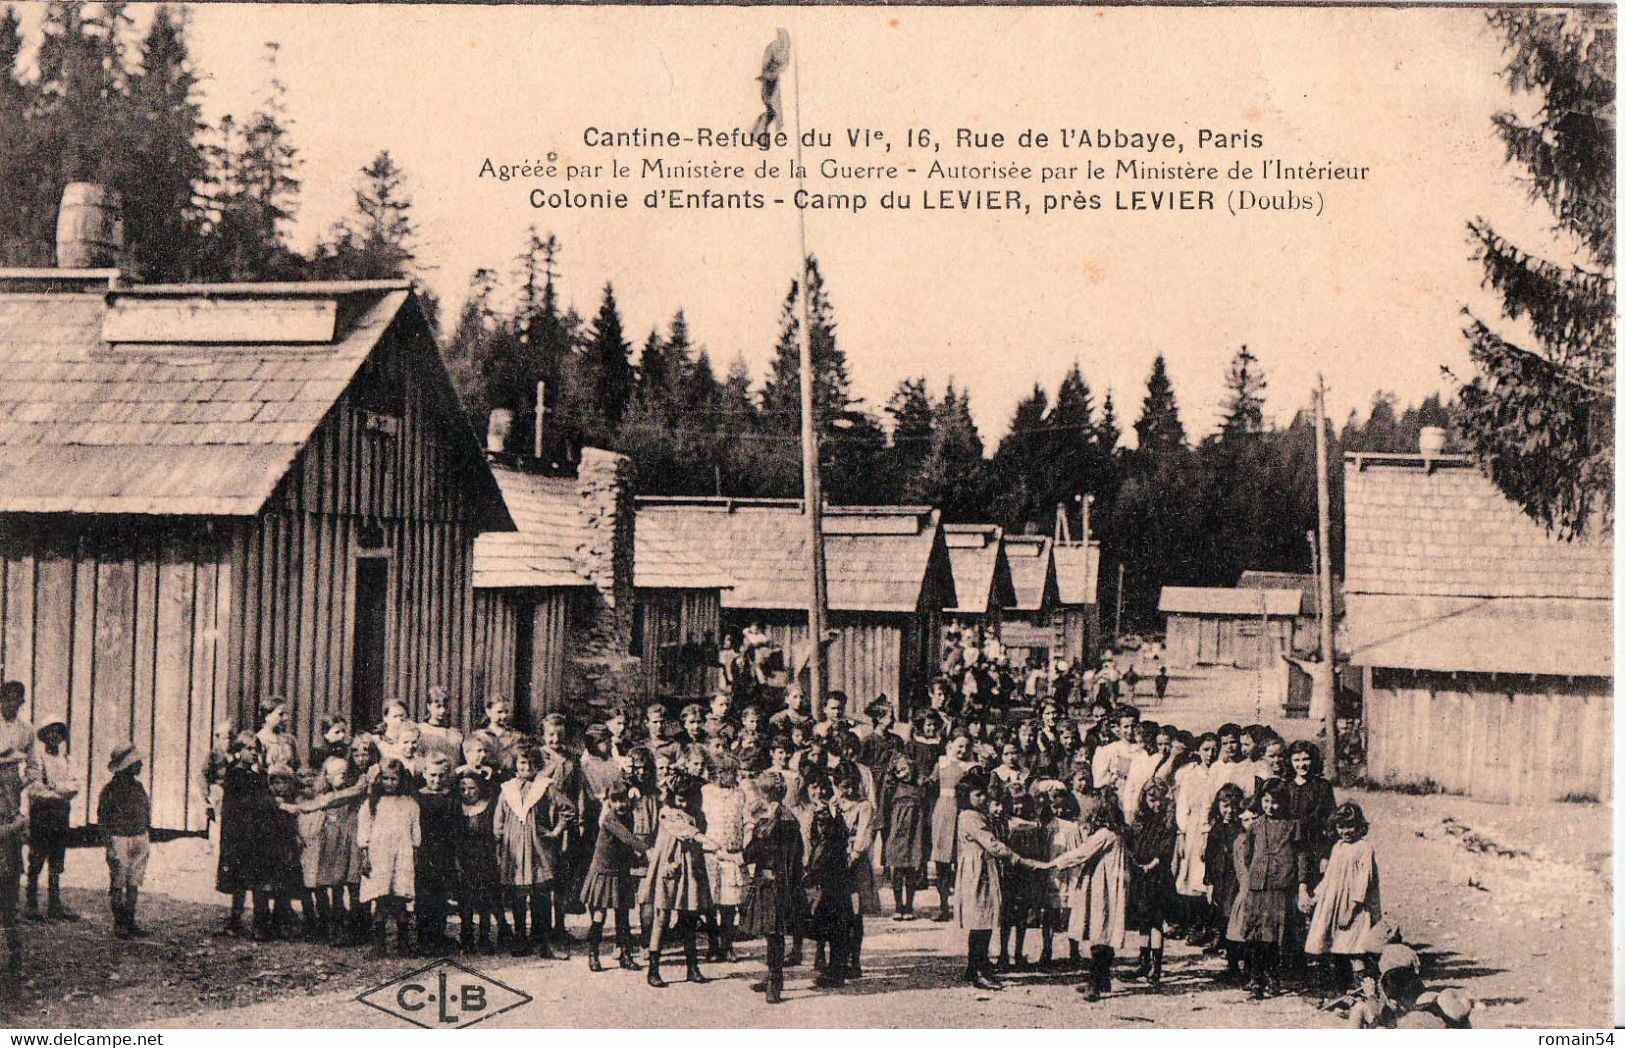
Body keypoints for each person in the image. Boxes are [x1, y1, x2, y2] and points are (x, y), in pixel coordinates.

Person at [640, 771, 723, 987]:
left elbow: (697, 826)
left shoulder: (697, 813)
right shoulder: (667, 812)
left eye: (688, 798)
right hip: (670, 867)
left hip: (691, 868)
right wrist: (705, 840)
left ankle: (692, 967)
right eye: (680, 798)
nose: (683, 803)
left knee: (689, 916)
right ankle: (653, 969)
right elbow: (685, 831)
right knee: (662, 916)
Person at [953, 769, 1033, 990]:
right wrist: (1016, 857)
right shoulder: (969, 817)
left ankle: (978, 965)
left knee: (984, 917)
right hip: (976, 870)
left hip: (984, 867)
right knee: (980, 918)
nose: (983, 799)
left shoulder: (979, 814)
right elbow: (991, 842)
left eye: (983, 795)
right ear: (966, 796)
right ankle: (977, 969)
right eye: (977, 795)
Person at [1047, 796, 1129, 1001]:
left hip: (1104, 886)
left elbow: (1082, 852)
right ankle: (1103, 978)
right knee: (1105, 929)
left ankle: (1095, 982)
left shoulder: (1105, 834)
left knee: (1099, 930)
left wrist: (1055, 863)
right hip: (1109, 884)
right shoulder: (1117, 832)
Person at [494, 745, 572, 959]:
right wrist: (499, 846)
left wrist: (556, 831)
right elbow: (498, 822)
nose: (526, 767)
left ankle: (544, 942)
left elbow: (568, 809)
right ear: (515, 765)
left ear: (537, 765)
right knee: (518, 895)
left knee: (541, 894)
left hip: (538, 849)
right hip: (515, 849)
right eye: (521, 763)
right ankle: (520, 938)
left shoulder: (545, 786)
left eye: (530, 763)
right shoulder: (507, 789)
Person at [1234, 777, 1308, 999]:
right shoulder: (1256, 826)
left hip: (1280, 887)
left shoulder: (1293, 826)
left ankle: (1273, 978)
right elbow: (1246, 856)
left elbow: (1301, 856)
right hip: (1258, 887)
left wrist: (1299, 881)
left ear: (1284, 802)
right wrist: (1256, 873)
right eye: (1266, 801)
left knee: (1276, 935)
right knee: (1256, 935)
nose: (1270, 806)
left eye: (1275, 802)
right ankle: (1256, 979)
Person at [741, 770, 805, 1004]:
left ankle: (774, 982)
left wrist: (753, 829)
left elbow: (750, 853)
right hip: (777, 883)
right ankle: (772, 978)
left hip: (775, 884)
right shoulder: (785, 820)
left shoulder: (776, 822)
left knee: (774, 933)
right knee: (772, 933)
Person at [1306, 802, 1382, 992]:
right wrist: (1315, 897)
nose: (1345, 831)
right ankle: (1341, 991)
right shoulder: (1337, 847)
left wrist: (1352, 908)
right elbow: (1330, 876)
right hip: (1333, 905)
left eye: (1350, 826)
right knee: (1337, 949)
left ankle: (1362, 990)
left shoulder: (1364, 848)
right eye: (1341, 826)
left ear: (1359, 827)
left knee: (1355, 949)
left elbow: (1364, 881)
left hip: (1353, 907)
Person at [580, 784, 648, 972]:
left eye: (623, 800)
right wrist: (647, 850)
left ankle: (625, 955)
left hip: (621, 872)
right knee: (599, 916)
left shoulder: (629, 816)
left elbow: (626, 846)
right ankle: (593, 954)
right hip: (604, 872)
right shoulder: (609, 818)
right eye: (615, 801)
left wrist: (636, 860)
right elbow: (627, 838)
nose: (620, 805)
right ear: (609, 802)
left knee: (623, 916)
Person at [358, 758, 421, 957]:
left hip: (402, 855)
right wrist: (364, 855)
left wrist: (415, 853)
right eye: (385, 778)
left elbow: (415, 832)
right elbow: (364, 832)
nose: (390, 783)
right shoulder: (371, 804)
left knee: (400, 899)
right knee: (381, 899)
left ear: (401, 780)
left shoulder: (410, 804)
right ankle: (379, 945)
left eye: (394, 779)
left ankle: (403, 944)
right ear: (379, 779)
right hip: (379, 856)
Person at [801, 773, 854, 988]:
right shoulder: (812, 812)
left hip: (827, 875)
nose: (819, 792)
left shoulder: (825, 814)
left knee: (833, 921)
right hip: (828, 873)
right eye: (814, 787)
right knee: (831, 922)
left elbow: (821, 847)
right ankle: (832, 968)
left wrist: (809, 871)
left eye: (823, 788)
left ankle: (835, 971)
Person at [1123, 780, 1177, 985]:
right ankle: (1143, 961)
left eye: (1160, 801)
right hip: (1140, 875)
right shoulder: (1140, 820)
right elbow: (1131, 842)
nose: (1156, 804)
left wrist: (1153, 863)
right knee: (1142, 921)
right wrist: (1134, 861)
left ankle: (1156, 965)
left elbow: (1166, 848)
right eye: (1151, 799)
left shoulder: (1167, 822)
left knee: (1156, 921)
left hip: (1157, 877)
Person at [24, 720, 77, 922]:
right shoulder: (37, 758)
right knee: (36, 859)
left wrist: (55, 789)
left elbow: (74, 787)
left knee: (57, 861)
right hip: (41, 816)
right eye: (50, 733)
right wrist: (59, 792)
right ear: (44, 736)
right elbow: (35, 790)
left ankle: (55, 905)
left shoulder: (67, 760)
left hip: (61, 817)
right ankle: (31, 905)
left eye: (58, 733)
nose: (54, 737)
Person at [97, 744, 151, 939]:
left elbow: (146, 810)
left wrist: (145, 834)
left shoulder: (138, 788)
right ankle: (119, 922)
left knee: (134, 882)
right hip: (119, 838)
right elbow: (103, 819)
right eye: (137, 762)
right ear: (128, 765)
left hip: (138, 836)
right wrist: (109, 845)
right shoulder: (110, 790)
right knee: (118, 881)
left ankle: (130, 920)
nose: (141, 765)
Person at [1172, 732, 1222, 945]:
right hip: (1193, 828)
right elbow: (1182, 805)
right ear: (1198, 751)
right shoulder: (1190, 775)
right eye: (1206, 749)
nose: (1210, 754)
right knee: (1193, 875)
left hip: (1214, 827)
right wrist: (1182, 833)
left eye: (1213, 749)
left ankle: (1213, 927)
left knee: (1212, 875)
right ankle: (1195, 925)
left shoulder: (1220, 772)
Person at [453, 767, 508, 954]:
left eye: (471, 788)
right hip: (464, 859)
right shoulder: (456, 808)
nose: (467, 793)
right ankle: (467, 935)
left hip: (485, 858)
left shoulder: (489, 806)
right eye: (463, 789)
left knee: (486, 899)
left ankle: (485, 937)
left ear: (480, 788)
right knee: (466, 900)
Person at [700, 754, 748, 963]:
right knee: (711, 903)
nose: (732, 776)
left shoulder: (740, 794)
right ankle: (712, 946)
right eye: (729, 773)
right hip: (711, 853)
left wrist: (745, 846)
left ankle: (727, 945)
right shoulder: (705, 793)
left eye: (733, 772)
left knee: (730, 903)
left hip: (733, 853)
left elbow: (747, 819)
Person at [835, 766, 880, 978]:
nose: (850, 790)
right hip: (836, 861)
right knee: (838, 913)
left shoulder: (864, 806)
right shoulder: (834, 805)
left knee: (855, 913)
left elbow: (864, 834)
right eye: (845, 786)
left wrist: (853, 855)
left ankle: (855, 960)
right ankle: (839, 959)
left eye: (853, 785)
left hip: (855, 864)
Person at [928, 733, 975, 922]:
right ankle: (943, 906)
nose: (963, 751)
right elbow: (930, 784)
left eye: (967, 747)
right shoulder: (942, 763)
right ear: (950, 745)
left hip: (962, 812)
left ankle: (964, 906)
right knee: (942, 861)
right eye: (960, 746)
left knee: (962, 859)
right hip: (943, 812)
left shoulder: (971, 767)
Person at [1203, 783, 1248, 983]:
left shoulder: (1242, 830)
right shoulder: (1216, 829)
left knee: (1236, 920)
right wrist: (1209, 884)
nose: (1229, 811)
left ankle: (1242, 964)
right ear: (1218, 806)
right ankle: (1231, 965)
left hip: (1235, 880)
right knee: (1223, 920)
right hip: (1220, 880)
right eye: (1225, 806)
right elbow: (1210, 859)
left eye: (1233, 806)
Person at [415, 757, 460, 953]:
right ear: (424, 774)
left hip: (444, 852)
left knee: (441, 895)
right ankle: (424, 938)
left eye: (441, 775)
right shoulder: (417, 797)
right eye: (432, 775)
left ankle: (439, 936)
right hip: (424, 851)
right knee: (423, 895)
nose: (437, 780)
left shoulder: (451, 798)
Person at [878, 751, 930, 920]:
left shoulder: (919, 788)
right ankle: (898, 906)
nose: (904, 773)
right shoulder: (891, 788)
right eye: (899, 771)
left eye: (906, 769)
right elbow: (883, 809)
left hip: (915, 832)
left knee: (911, 871)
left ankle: (909, 906)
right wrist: (883, 829)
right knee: (897, 870)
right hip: (897, 831)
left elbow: (926, 809)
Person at [0, 756, 25, 971]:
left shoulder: (10, 799)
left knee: (10, 907)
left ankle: (14, 948)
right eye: (9, 769)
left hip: (10, 859)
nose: (14, 775)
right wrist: (17, 826)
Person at [418, 687, 465, 768]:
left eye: (445, 706)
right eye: (438, 706)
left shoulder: (456, 734)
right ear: (429, 706)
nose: (442, 710)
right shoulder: (420, 730)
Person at [255, 698, 299, 771]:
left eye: (286, 714)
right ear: (267, 715)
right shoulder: (260, 739)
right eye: (281, 714)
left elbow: (296, 766)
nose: (286, 718)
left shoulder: (290, 740)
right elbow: (257, 769)